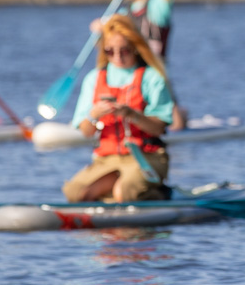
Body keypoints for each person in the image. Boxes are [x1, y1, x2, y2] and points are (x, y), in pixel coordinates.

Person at [63, 15, 174, 203]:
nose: (117, 56)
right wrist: (94, 114)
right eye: (110, 51)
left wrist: (131, 114)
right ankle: (113, 193)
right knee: (75, 193)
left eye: (124, 50)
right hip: (107, 160)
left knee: (125, 193)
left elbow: (158, 128)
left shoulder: (151, 77)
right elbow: (85, 131)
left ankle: (155, 194)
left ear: (136, 48)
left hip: (145, 156)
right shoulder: (94, 78)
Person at [91, 0, 187, 130]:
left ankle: (180, 114)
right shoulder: (123, 16)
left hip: (156, 73)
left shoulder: (157, 10)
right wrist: (100, 29)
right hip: (130, 75)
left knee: (176, 126)